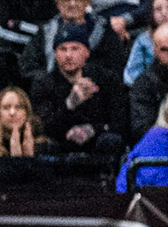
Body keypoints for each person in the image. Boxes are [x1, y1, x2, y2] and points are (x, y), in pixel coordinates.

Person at [29, 23, 126, 156]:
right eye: (63, 49)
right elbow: (43, 127)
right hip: (61, 144)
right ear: (55, 54)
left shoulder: (106, 78)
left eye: (75, 49)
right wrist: (69, 104)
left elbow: (120, 121)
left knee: (111, 140)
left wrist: (93, 129)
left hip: (97, 143)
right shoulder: (43, 83)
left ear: (86, 52)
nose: (68, 55)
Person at [0, 85, 45, 158]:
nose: (12, 112)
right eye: (6, 107)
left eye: (18, 107)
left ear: (26, 112)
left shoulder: (43, 146)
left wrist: (29, 157)